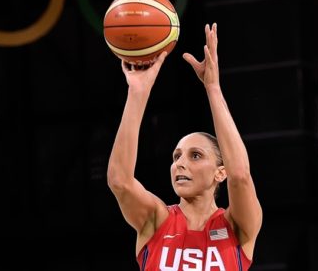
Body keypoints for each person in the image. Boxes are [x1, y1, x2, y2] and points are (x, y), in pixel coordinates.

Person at [107, 23, 262, 270]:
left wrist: (213, 88)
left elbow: (241, 175)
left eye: (196, 155)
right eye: (176, 156)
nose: (180, 163)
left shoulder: (235, 225)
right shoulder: (156, 219)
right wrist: (137, 92)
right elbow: (119, 180)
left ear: (220, 172)